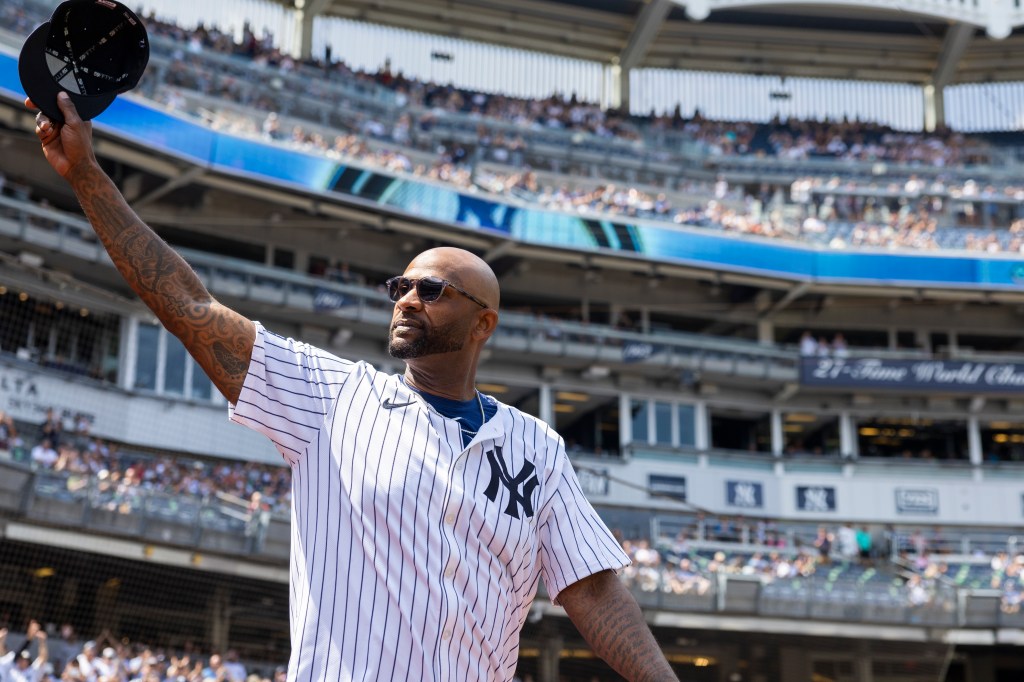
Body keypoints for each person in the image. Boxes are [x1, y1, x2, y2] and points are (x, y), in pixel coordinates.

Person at [29, 94, 679, 682]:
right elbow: (190, 307)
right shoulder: (332, 396)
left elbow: (592, 592)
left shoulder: (536, 447)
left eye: (432, 290)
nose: (408, 300)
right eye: (400, 287)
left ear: (484, 323)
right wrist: (87, 175)